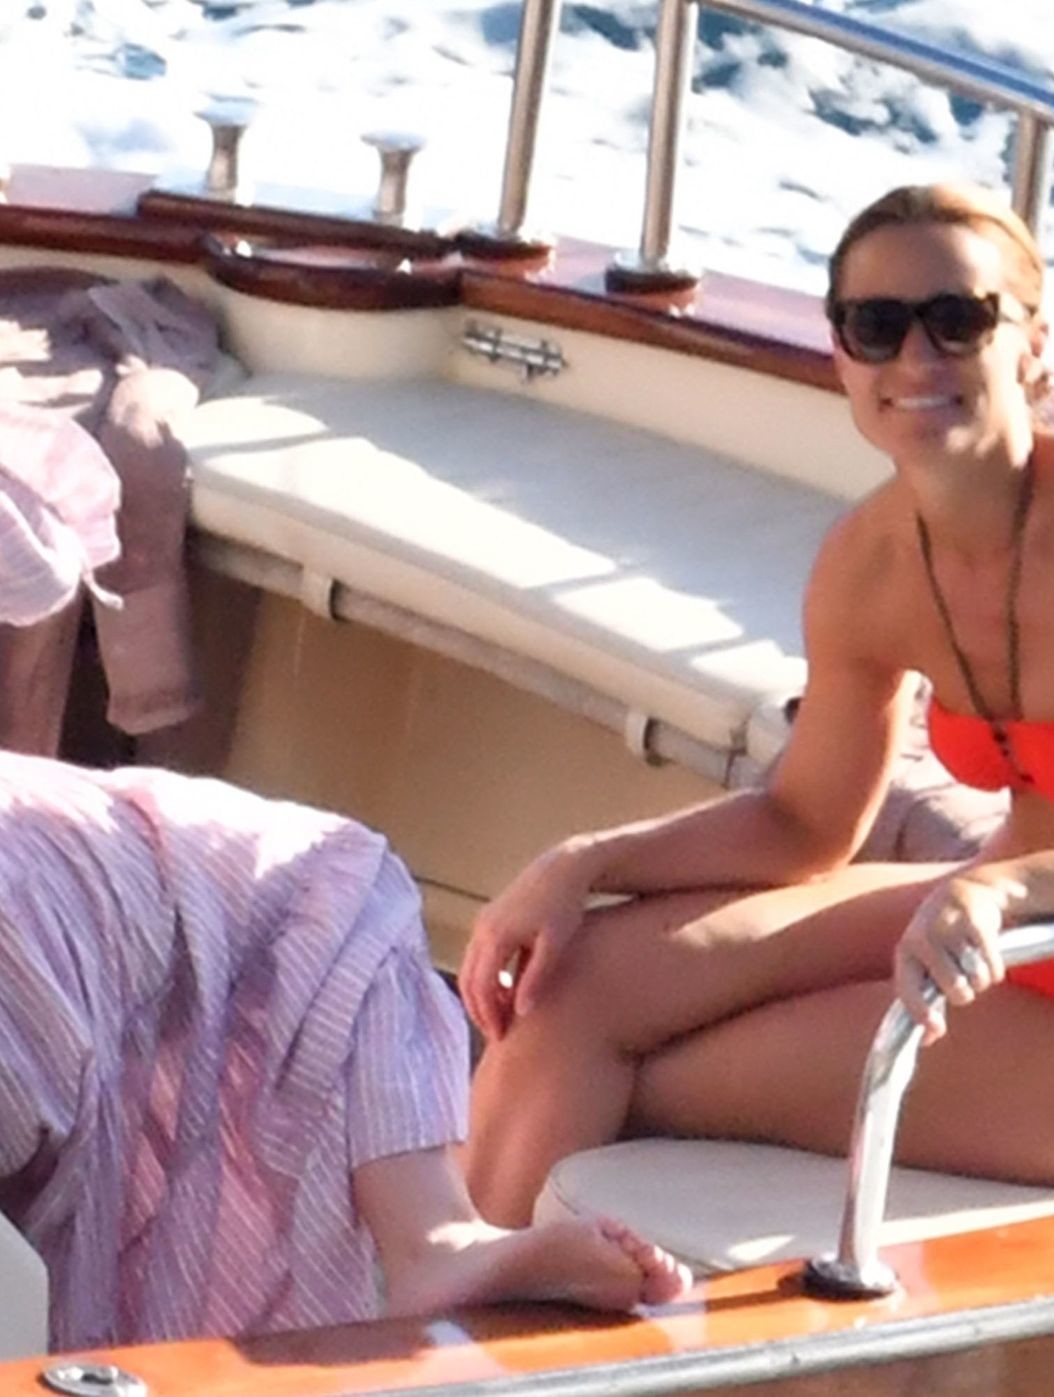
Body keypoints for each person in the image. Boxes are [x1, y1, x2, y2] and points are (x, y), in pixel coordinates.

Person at [459, 183, 1054, 1229]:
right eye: (877, 326)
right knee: (567, 994)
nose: (917, 359)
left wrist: (1000, 892)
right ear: (842, 357)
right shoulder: (868, 565)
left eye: (958, 319)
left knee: (639, 1083)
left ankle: (482, 1306)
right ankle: (453, 1280)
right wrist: (580, 863)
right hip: (981, 928)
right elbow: (807, 822)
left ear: (1031, 345)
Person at [0, 405, 690, 1348]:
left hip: (101, 884)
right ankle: (434, 1239)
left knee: (325, 886)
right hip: (76, 893)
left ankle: (436, 1238)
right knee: (321, 886)